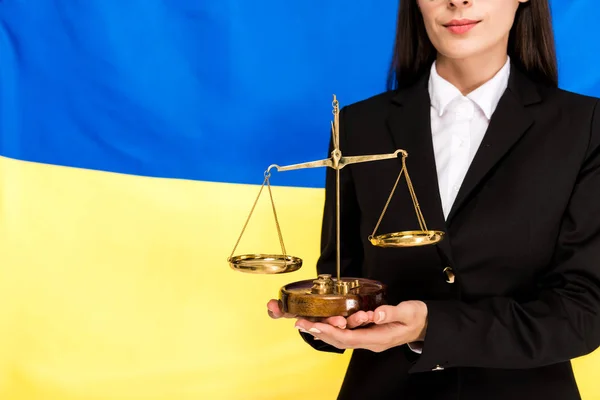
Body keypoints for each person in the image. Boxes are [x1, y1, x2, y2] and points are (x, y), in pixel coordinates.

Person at [267, 0, 600, 398]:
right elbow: (344, 277)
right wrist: (327, 324)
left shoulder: (584, 128)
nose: (458, 1)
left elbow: (585, 313)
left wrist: (431, 327)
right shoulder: (359, 126)